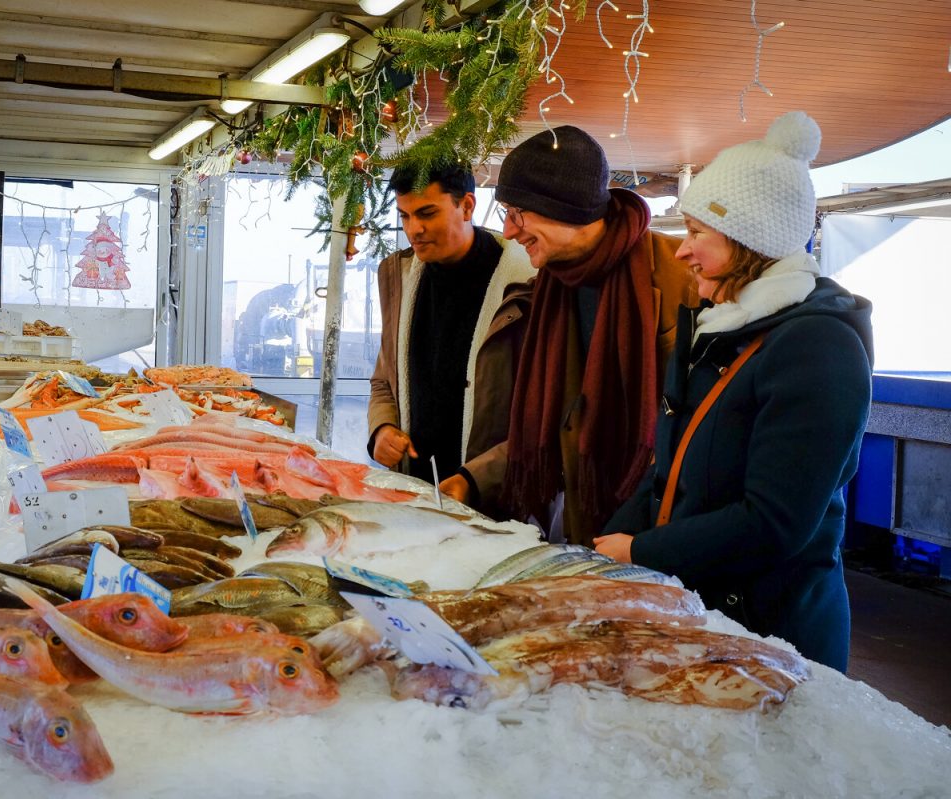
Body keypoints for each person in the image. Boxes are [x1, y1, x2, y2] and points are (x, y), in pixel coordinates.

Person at [595, 111, 873, 672]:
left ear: (750, 240)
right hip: (704, 615)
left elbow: (774, 522)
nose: (680, 250)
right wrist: (605, 541)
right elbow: (668, 473)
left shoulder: (818, 346)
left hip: (775, 643)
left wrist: (640, 552)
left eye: (697, 233)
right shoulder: (721, 326)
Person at [442, 127, 695, 543]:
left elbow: (697, 436)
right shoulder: (546, 290)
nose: (507, 230)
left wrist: (648, 541)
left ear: (564, 207)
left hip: (653, 538)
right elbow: (551, 423)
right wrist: (473, 479)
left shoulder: (682, 277)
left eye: (516, 212)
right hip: (575, 533)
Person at [368, 162, 535, 514]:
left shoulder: (526, 282)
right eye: (405, 216)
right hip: (413, 496)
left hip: (495, 503)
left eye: (427, 213)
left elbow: (540, 414)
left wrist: (476, 479)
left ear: (467, 206)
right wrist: (381, 429)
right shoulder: (397, 274)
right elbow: (384, 380)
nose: (414, 229)